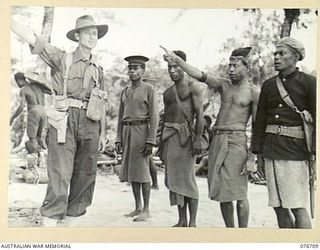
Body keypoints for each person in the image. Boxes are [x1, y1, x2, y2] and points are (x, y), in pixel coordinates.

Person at [11, 15, 108, 226]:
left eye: (95, 33)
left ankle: (70, 230)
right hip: (63, 121)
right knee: (60, 174)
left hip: (91, 124)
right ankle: (51, 228)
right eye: (88, 32)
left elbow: (102, 103)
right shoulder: (61, 58)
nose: (92, 36)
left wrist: (102, 134)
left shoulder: (99, 70)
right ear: (77, 36)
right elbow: (33, 39)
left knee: (85, 176)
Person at [161, 46, 260, 228]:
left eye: (235, 66)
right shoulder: (223, 85)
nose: (230, 69)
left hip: (237, 139)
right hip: (218, 139)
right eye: (229, 65)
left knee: (239, 192)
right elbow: (199, 74)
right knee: (222, 191)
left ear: (247, 67)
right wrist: (178, 59)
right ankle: (230, 233)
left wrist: (252, 158)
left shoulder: (254, 92)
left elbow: (257, 127)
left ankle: (244, 235)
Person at [252, 37, 316, 229]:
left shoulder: (310, 83)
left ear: (295, 57)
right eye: (275, 54)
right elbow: (260, 121)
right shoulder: (269, 85)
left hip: (295, 153)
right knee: (278, 207)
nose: (276, 57)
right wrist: (259, 154)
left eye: (282, 54)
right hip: (271, 151)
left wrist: (314, 154)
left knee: (297, 206)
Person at [160, 50, 204, 227]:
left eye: (176, 66)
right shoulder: (167, 93)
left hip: (187, 139)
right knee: (174, 180)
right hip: (170, 139)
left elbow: (200, 114)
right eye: (170, 67)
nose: (172, 71)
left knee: (187, 179)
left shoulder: (193, 87)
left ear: (184, 67)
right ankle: (182, 220)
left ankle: (192, 223)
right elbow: (165, 120)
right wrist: (161, 144)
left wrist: (198, 139)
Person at [115, 55, 159, 222]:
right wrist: (118, 138)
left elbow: (154, 116)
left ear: (143, 70)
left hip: (142, 131)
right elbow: (120, 116)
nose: (132, 71)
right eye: (130, 68)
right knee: (132, 172)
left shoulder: (149, 89)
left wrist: (151, 140)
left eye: (136, 68)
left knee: (143, 171)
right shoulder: (125, 91)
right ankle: (137, 207)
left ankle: (146, 209)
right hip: (127, 132)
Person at [10, 70, 52, 153]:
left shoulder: (24, 89)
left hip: (34, 112)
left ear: (19, 80)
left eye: (17, 82)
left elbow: (21, 107)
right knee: (40, 137)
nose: (18, 85)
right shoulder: (38, 86)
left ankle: (33, 161)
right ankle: (44, 160)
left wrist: (12, 118)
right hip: (43, 111)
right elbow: (50, 91)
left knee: (32, 138)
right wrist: (38, 82)